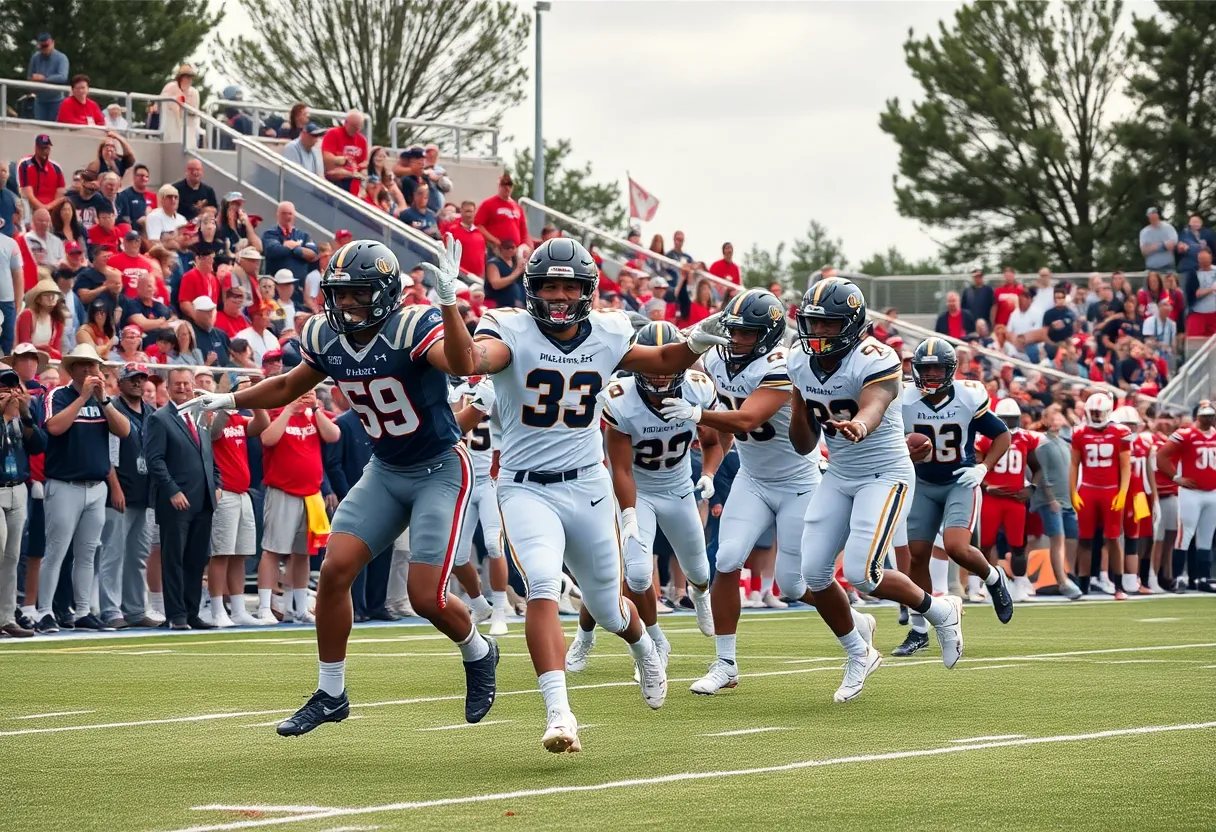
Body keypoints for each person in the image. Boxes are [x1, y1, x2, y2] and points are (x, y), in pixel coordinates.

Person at [182, 236, 503, 737]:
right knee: (333, 572)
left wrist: (449, 302)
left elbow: (465, 366)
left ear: (385, 291)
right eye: (339, 293)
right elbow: (290, 385)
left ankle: (479, 651)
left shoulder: (412, 324)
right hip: (385, 470)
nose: (345, 303)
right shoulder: (325, 336)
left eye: (356, 293)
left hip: (439, 467)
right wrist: (229, 399)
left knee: (425, 596)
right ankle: (331, 693)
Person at [467, 236, 728, 751]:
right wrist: (454, 306)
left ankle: (645, 647)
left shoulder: (608, 331)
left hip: (587, 485)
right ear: (532, 289)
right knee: (542, 583)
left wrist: (697, 341)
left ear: (587, 290)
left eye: (569, 286)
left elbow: (660, 358)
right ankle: (560, 713)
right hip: (524, 488)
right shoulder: (509, 327)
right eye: (549, 286)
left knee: (609, 609)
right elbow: (474, 359)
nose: (559, 295)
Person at [789, 277, 964, 703]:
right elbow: (803, 440)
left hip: (884, 473)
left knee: (861, 574)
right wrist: (801, 413)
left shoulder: (876, 356)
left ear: (850, 325)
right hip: (839, 474)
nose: (817, 333)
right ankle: (859, 652)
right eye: (812, 323)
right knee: (810, 576)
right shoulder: (798, 359)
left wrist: (860, 425)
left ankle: (940, 610)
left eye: (827, 325)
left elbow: (878, 399)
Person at [659, 291, 823, 694]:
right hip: (753, 477)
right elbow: (669, 352)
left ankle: (855, 628)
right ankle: (726, 663)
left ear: (767, 335)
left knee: (795, 584)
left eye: (746, 333)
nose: (736, 340)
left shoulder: (780, 364)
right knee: (727, 559)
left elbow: (748, 418)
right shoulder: (717, 359)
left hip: (798, 481)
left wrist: (698, 413)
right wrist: (694, 335)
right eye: (733, 331)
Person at [567, 322, 721, 674]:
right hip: (638, 491)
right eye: (651, 367)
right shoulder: (619, 399)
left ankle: (700, 596)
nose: (661, 376)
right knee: (634, 576)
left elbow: (713, 441)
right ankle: (654, 640)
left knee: (699, 570)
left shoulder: (698, 389)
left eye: (667, 368)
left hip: (680, 488)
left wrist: (709, 473)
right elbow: (619, 468)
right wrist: (629, 513)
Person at [892, 339, 1013, 657]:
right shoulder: (903, 398)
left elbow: (1002, 434)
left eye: (937, 369)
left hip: (960, 480)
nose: (931, 375)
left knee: (957, 546)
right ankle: (920, 629)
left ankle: (992, 576)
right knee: (917, 555)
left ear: (950, 371)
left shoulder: (968, 395)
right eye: (925, 369)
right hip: (922, 481)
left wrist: (984, 468)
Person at [34, 343, 131, 632]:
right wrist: (83, 397)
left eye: (95, 366)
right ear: (72, 369)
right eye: (85, 365)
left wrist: (103, 401)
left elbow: (124, 431)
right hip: (64, 484)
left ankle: (83, 610)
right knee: (56, 551)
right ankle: (44, 611)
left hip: (96, 485)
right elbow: (54, 428)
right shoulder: (58, 395)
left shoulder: (104, 400)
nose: (91, 370)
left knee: (87, 553)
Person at [144, 368, 220, 629]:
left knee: (197, 559)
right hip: (176, 501)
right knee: (174, 559)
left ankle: (191, 612)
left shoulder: (199, 417)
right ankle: (175, 615)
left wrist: (217, 484)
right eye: (178, 384)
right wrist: (172, 490)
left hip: (204, 500)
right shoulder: (159, 419)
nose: (184, 388)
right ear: (167, 387)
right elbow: (154, 460)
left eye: (187, 383)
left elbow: (209, 455)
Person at [207, 377, 270, 627]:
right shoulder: (216, 415)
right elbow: (214, 433)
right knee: (221, 553)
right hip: (225, 493)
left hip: (242, 492)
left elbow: (262, 423)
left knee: (239, 555)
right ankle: (216, 609)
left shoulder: (241, 419)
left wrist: (255, 398)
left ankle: (238, 608)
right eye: (243, 390)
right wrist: (228, 401)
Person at [97, 364, 156, 628]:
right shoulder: (111, 409)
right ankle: (110, 610)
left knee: (138, 555)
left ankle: (135, 610)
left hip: (144, 494)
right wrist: (115, 487)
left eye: (142, 378)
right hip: (120, 492)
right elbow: (106, 453)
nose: (138, 383)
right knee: (113, 554)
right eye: (133, 378)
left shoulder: (152, 413)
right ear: (120, 383)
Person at [1069, 393, 1132, 599]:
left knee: (1112, 538)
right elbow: (1074, 464)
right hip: (1088, 489)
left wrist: (1123, 491)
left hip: (1111, 490)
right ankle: (1084, 585)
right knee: (1085, 538)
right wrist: (1073, 491)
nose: (1096, 416)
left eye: (1099, 412)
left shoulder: (1120, 432)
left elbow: (1125, 467)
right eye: (1093, 412)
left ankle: (1119, 586)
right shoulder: (1079, 432)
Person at [0, 363, 45, 637]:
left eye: (12, 385)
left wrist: (26, 413)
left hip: (18, 487)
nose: (9, 391)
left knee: (12, 556)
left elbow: (39, 445)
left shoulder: (21, 415)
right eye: (3, 385)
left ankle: (6, 616)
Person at [1158, 400, 1216, 593]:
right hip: (1191, 493)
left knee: (1206, 537)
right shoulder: (1185, 434)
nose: (1209, 418)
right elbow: (1161, 456)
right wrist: (1176, 478)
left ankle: (1203, 578)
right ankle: (1177, 577)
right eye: (1205, 415)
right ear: (1197, 416)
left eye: (1211, 415)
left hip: (1212, 492)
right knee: (1185, 535)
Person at [1030, 407, 1084, 600]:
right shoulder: (1043, 444)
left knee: (1072, 538)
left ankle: (1067, 574)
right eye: (1052, 417)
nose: (1056, 420)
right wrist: (1050, 498)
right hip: (1050, 501)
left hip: (1067, 500)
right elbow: (1041, 473)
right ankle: (1061, 581)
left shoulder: (1065, 443)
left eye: (1058, 417)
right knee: (1058, 539)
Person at [320, 112, 369, 195]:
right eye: (353, 126)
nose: (355, 129)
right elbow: (327, 158)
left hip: (354, 178)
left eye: (358, 127)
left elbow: (364, 161)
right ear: (346, 122)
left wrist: (359, 168)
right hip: (336, 178)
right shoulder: (333, 133)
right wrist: (341, 161)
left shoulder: (362, 140)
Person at [17, 277, 65, 359]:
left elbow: (56, 349)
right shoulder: (27, 315)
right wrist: (44, 348)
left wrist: (50, 352)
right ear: (38, 299)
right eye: (46, 295)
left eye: (53, 295)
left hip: (48, 359)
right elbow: (24, 344)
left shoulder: (57, 320)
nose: (50, 298)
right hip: (28, 358)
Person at [27, 33, 69, 122]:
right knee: (40, 128)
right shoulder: (35, 57)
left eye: (46, 45)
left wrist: (44, 78)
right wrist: (33, 81)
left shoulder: (62, 58)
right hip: (39, 100)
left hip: (56, 100)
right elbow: (30, 76)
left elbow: (63, 77)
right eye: (42, 46)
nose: (44, 49)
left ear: (53, 43)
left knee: (54, 129)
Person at [158, 64, 200, 147]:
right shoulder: (170, 88)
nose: (189, 80)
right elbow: (169, 106)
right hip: (172, 129)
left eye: (190, 77)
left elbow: (194, 111)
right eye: (186, 77)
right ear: (180, 77)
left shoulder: (194, 92)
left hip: (189, 130)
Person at [1140, 207, 1177, 274]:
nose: (1153, 218)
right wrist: (1164, 245)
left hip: (1168, 268)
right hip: (1151, 269)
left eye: (1154, 215)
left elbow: (1173, 245)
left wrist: (1154, 247)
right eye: (1150, 216)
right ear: (1148, 217)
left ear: (1157, 215)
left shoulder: (1168, 228)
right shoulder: (1144, 232)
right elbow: (1144, 251)